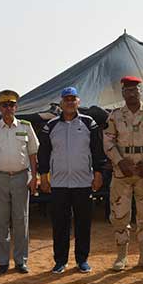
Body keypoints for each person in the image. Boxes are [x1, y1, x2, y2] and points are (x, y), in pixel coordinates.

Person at [37, 87, 105, 274]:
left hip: (83, 181)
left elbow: (97, 150)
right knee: (60, 224)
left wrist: (98, 173)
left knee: (83, 223)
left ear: (78, 102)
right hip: (58, 183)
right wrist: (43, 176)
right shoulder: (50, 126)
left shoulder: (88, 123)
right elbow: (44, 153)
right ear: (61, 103)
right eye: (66, 99)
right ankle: (60, 261)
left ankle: (82, 260)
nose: (69, 102)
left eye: (73, 99)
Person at [103, 76, 143, 272]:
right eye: (127, 90)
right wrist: (119, 161)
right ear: (123, 93)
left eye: (134, 90)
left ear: (140, 92)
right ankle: (121, 257)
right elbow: (107, 140)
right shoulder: (114, 116)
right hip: (122, 172)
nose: (131, 93)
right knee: (120, 215)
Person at [0, 90, 39, 274]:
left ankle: (21, 260)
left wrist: (34, 178)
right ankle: (2, 261)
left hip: (21, 177)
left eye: (11, 105)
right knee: (0, 221)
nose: (8, 108)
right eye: (4, 105)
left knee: (21, 220)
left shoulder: (25, 126)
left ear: (16, 107)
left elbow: (33, 154)